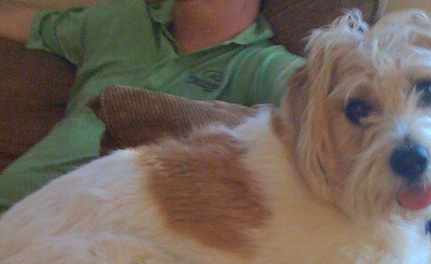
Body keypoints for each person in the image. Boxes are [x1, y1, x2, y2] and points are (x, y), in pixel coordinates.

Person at [0, 0, 304, 212]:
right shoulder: (122, 17)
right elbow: (30, 23)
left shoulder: (261, 65)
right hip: (13, 207)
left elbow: (328, 93)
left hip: (95, 237)